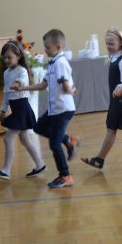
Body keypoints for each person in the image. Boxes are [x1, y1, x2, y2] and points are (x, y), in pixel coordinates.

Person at [12, 29, 79, 188]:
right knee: (38, 127)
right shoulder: (53, 63)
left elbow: (65, 84)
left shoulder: (60, 63)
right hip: (55, 109)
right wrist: (22, 88)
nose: (45, 50)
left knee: (54, 144)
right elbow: (43, 85)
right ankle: (68, 140)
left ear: (58, 47)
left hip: (63, 109)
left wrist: (69, 89)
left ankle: (65, 176)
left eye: (48, 47)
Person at [0, 41, 46, 180]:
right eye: (4, 57)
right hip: (16, 109)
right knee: (24, 139)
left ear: (18, 56)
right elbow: (7, 94)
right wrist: (3, 110)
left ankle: (6, 170)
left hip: (22, 109)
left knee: (8, 138)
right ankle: (40, 165)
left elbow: (23, 79)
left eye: (9, 57)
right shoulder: (6, 73)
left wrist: (18, 83)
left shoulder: (22, 71)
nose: (6, 60)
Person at [81, 27, 122, 169]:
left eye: (111, 43)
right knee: (111, 129)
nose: (108, 46)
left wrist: (120, 89)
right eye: (107, 43)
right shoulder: (114, 58)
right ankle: (99, 160)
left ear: (120, 43)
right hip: (116, 102)